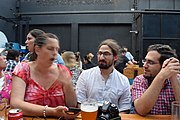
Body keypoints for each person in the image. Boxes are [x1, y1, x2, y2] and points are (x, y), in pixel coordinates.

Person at [10, 33, 78, 119]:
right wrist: (52, 112)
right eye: (50, 49)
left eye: (57, 49)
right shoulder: (23, 69)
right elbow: (15, 103)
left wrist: (68, 84)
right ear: (37, 49)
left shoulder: (63, 71)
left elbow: (71, 105)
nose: (55, 53)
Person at [76, 39, 131, 113]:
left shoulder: (123, 80)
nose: (101, 57)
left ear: (115, 57)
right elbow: (80, 102)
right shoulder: (85, 75)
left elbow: (124, 109)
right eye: (100, 53)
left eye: (106, 54)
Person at [131, 44, 180, 115]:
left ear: (164, 65)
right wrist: (161, 77)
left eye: (150, 62)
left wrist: (173, 77)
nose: (145, 65)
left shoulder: (177, 78)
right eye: (145, 60)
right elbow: (141, 110)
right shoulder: (140, 80)